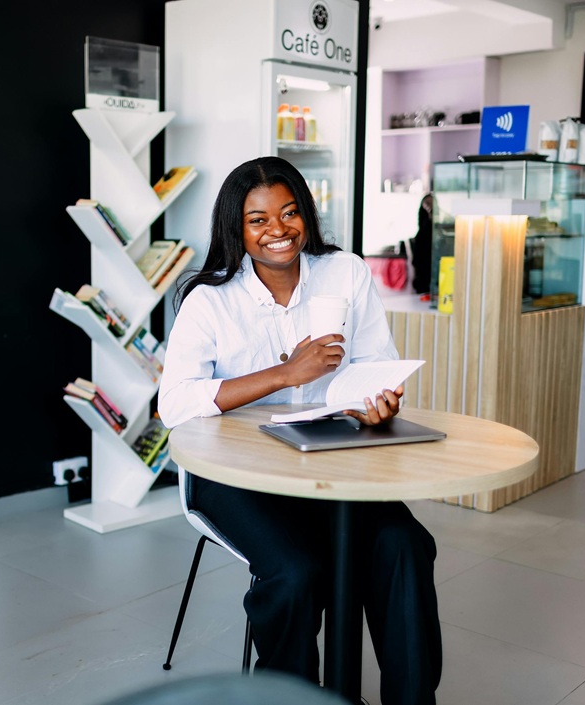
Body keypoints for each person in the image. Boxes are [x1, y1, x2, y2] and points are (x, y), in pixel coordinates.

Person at [158, 156, 442, 705]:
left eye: (289, 213)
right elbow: (175, 404)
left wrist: (373, 403)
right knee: (294, 572)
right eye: (258, 220)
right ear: (236, 229)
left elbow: (371, 364)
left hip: (330, 460)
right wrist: (286, 374)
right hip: (234, 474)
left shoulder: (345, 273)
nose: (278, 230)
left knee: (405, 545)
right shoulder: (211, 299)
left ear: (306, 215)